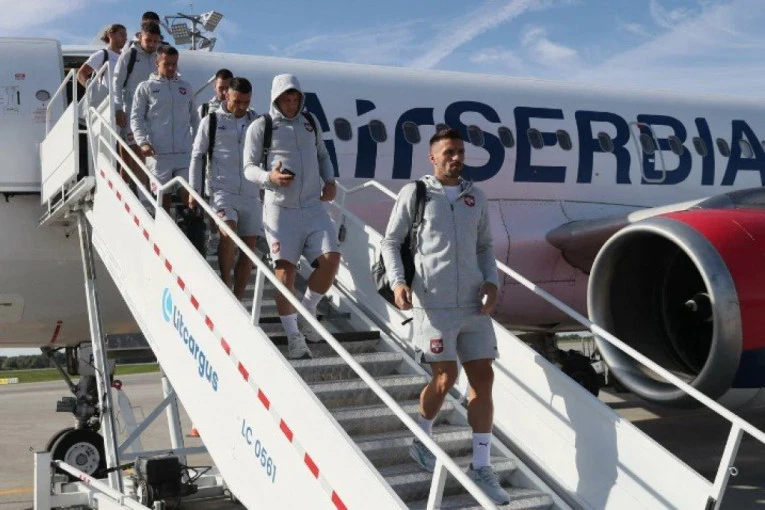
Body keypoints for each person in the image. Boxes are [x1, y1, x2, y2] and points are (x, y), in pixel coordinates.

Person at [380, 128, 510, 505]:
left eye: (460, 152)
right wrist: (398, 282)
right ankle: (422, 435)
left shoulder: (475, 196)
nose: (456, 158)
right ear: (433, 158)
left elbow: (484, 246)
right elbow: (391, 241)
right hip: (433, 305)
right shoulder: (416, 193)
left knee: (483, 379)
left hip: (473, 305)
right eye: (449, 152)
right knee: (445, 377)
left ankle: (481, 466)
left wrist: (491, 281)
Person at [243, 74, 339, 360]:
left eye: (296, 98)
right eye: (287, 99)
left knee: (331, 259)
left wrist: (330, 180)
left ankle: (307, 312)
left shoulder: (310, 122)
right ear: (276, 98)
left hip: (312, 206)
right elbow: (248, 167)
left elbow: (322, 155)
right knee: (286, 271)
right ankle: (294, 335)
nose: (292, 104)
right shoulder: (262, 126)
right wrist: (269, 178)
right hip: (280, 208)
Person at [189, 77, 259, 299]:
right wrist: (194, 190)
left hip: (250, 193)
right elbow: (197, 155)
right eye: (237, 101)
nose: (242, 107)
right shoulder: (211, 121)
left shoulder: (256, 121)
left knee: (249, 249)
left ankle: (237, 298)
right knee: (228, 234)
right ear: (226, 95)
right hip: (222, 191)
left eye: (246, 102)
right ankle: (225, 283)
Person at [130, 45, 198, 211]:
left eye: (174, 64)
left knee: (191, 197)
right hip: (158, 155)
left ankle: (194, 223)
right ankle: (165, 226)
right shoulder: (145, 87)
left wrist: (197, 144)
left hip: (184, 153)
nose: (171, 68)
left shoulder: (185, 87)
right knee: (163, 201)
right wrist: (142, 142)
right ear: (157, 63)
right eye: (167, 64)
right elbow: (136, 118)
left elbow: (195, 118)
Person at [112, 21, 161, 190]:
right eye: (149, 40)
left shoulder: (160, 57)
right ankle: (138, 193)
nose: (152, 44)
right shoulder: (129, 55)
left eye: (155, 41)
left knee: (149, 153)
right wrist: (118, 109)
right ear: (141, 37)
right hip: (131, 112)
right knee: (135, 151)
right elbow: (117, 83)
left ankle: (143, 192)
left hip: (153, 114)